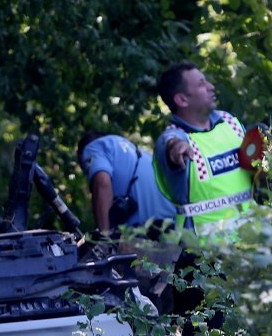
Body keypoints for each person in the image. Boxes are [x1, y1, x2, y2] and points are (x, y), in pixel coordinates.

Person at [153, 62, 253, 240]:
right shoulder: (176, 137)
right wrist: (175, 148)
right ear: (182, 100)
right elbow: (169, 144)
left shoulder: (230, 122)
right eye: (201, 84)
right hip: (204, 255)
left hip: (250, 239)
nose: (211, 87)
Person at [78, 133, 176, 233]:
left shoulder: (95, 147)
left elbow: (102, 182)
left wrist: (104, 237)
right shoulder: (143, 155)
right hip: (176, 231)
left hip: (146, 236)